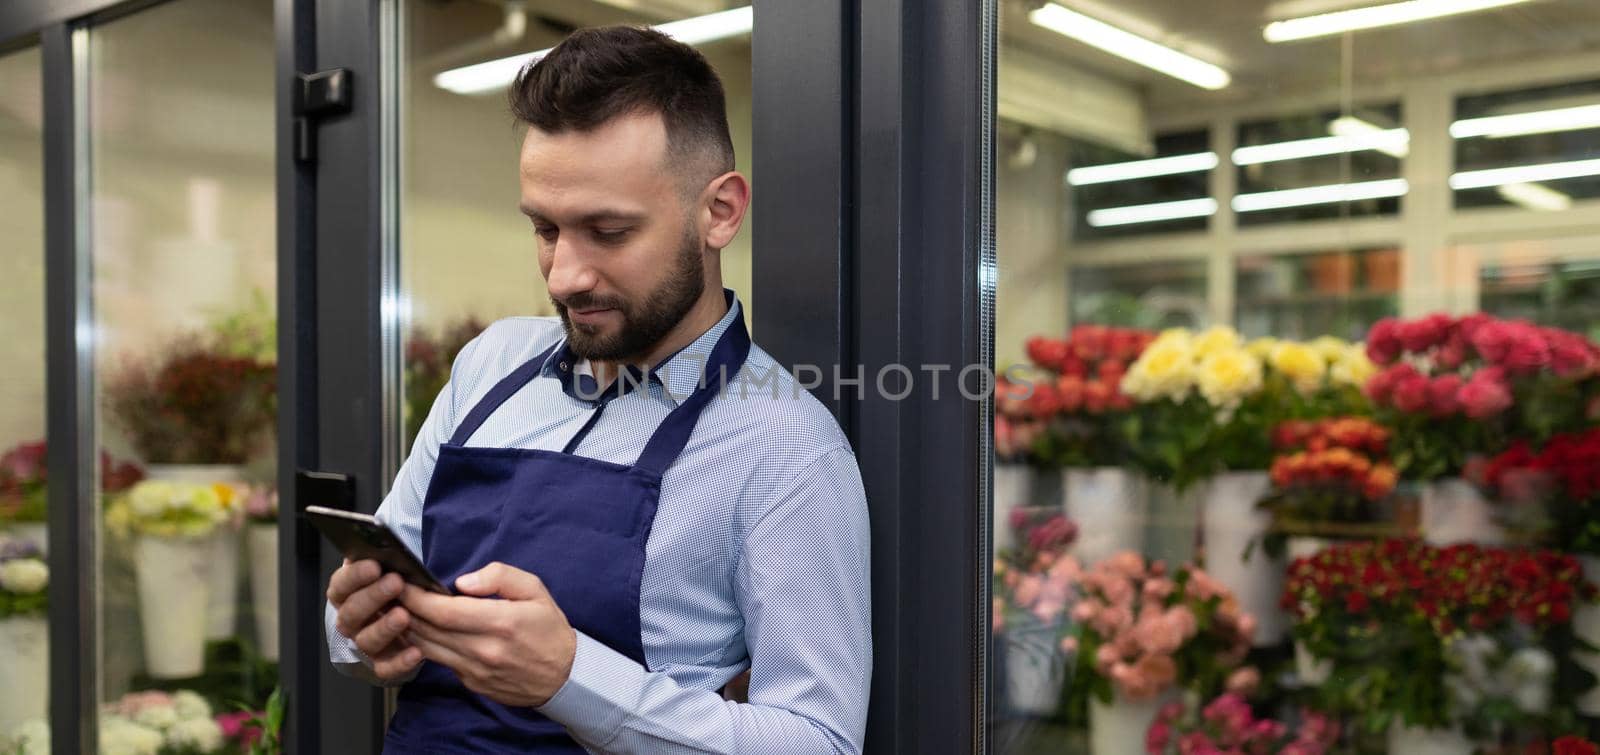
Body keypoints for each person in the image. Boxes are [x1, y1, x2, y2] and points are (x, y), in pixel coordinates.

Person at [323, 24, 871, 755]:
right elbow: (378, 601)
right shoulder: (489, 366)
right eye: (545, 228)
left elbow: (820, 740)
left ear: (720, 212)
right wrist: (361, 631)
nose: (563, 276)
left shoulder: (786, 447)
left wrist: (570, 676)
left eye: (607, 231)